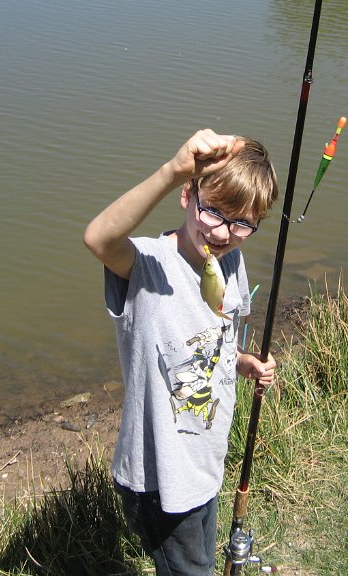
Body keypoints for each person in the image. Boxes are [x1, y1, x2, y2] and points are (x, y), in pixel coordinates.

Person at [83, 129, 279, 576]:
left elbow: (215, 338)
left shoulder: (230, 260)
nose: (224, 233)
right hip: (160, 479)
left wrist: (242, 362)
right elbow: (98, 238)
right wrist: (173, 171)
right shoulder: (147, 265)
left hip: (203, 460)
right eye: (214, 212)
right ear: (188, 196)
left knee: (201, 562)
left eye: (243, 222)